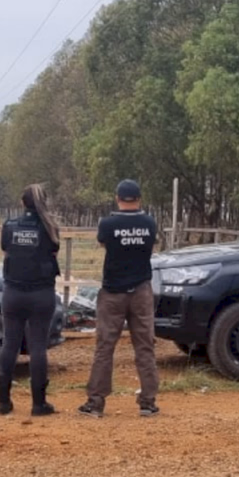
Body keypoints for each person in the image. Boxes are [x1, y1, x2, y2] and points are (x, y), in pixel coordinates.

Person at [79, 179, 159, 418]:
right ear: (139, 199)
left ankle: (96, 402)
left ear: (117, 198)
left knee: (105, 347)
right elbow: (150, 247)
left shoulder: (108, 224)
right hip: (142, 292)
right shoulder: (149, 223)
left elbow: (103, 243)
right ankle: (148, 401)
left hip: (113, 292)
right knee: (145, 345)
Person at [0, 184, 60, 416]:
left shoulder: (9, 226)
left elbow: (6, 249)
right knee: (38, 347)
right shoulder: (50, 227)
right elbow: (53, 251)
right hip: (41, 294)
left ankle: (3, 403)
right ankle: (38, 404)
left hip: (13, 293)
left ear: (22, 203)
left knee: (10, 344)